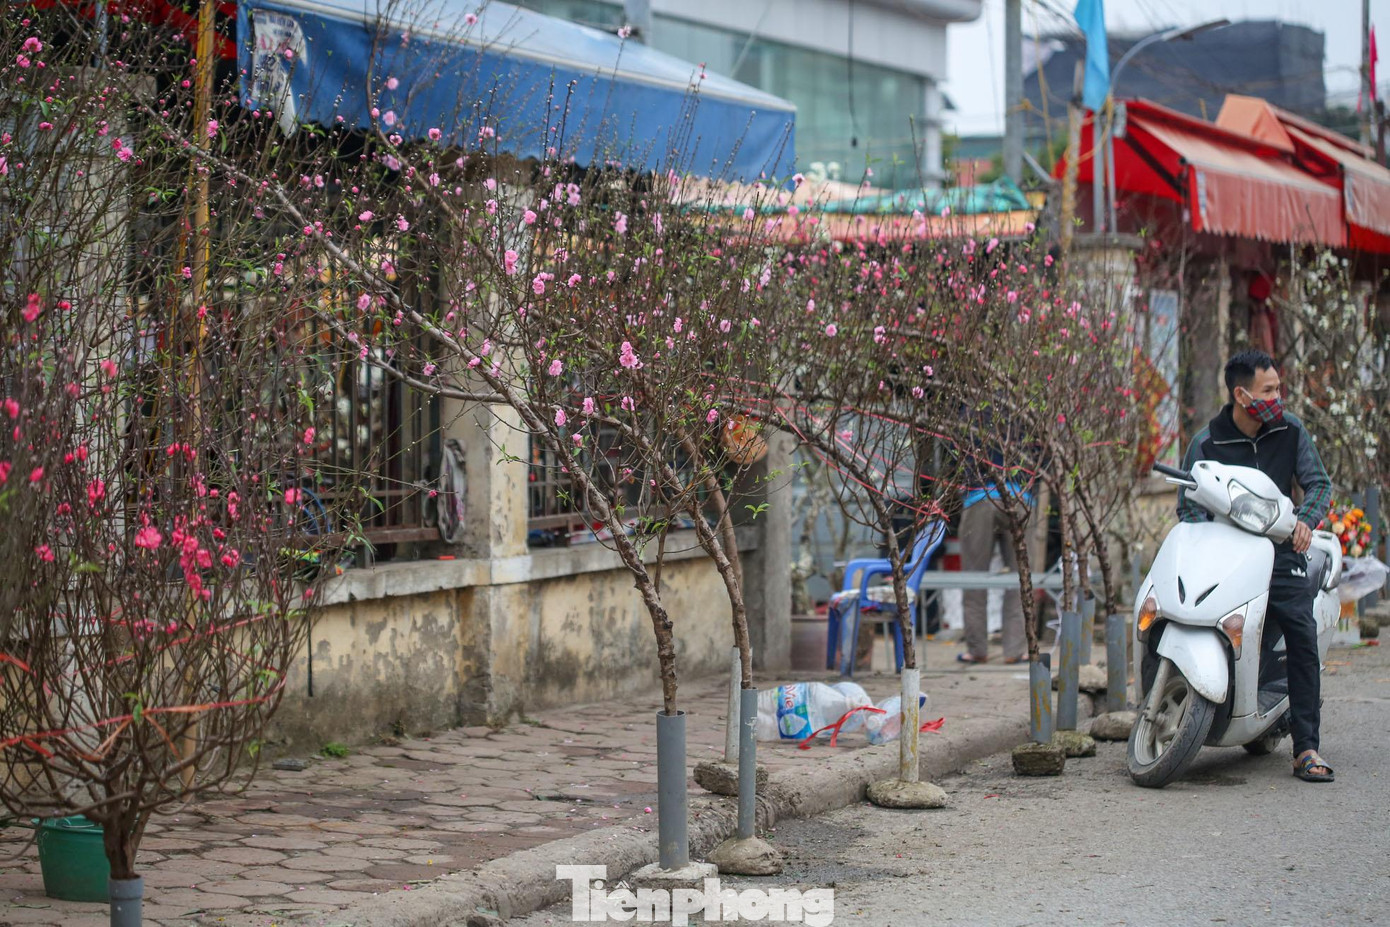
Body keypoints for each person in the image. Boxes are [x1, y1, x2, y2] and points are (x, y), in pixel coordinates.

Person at [1176, 350, 1334, 783]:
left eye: (1279, 389)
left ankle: (1306, 748)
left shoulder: (1291, 429)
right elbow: (1187, 509)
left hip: (1281, 554)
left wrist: (1305, 521)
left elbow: (1319, 483)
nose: (1277, 398)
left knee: (1301, 633)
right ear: (1241, 395)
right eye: (1269, 391)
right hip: (1224, 559)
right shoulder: (1207, 442)